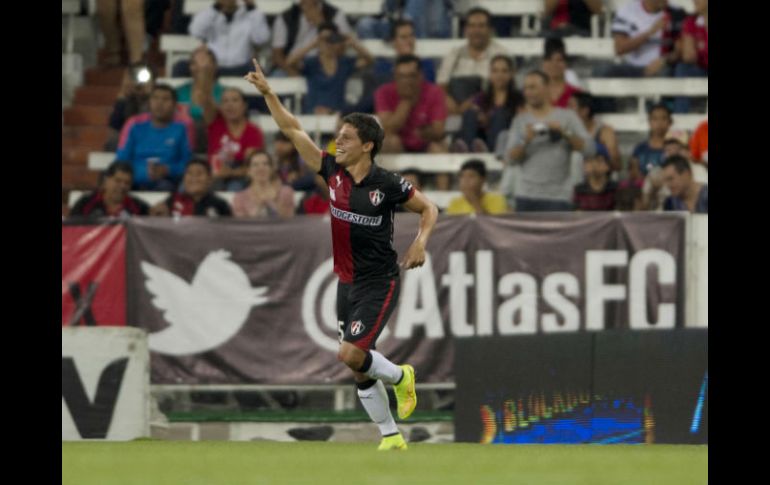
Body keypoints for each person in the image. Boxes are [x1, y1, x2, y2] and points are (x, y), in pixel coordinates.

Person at [244, 58, 439, 451]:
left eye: (347, 137)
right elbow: (291, 128)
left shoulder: (387, 183)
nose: (339, 141)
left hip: (379, 281)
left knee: (351, 353)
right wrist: (269, 94)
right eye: (338, 135)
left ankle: (402, 378)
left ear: (367, 145)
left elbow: (429, 208)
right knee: (358, 368)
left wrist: (420, 242)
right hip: (345, 282)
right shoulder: (330, 170)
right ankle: (390, 437)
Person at [504, 70, 593, 211]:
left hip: (558, 197)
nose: (528, 92)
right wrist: (525, 140)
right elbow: (509, 159)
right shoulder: (520, 121)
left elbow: (589, 149)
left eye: (533, 87)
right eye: (526, 88)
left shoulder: (567, 117)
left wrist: (565, 133)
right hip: (526, 196)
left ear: (547, 88)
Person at [285, 22, 373, 114]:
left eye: (331, 40)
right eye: (324, 40)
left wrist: (350, 41)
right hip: (314, 113)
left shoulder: (344, 63)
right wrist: (313, 44)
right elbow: (290, 62)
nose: (328, 44)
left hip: (337, 115)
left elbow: (369, 60)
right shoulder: (311, 63)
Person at [116, 85, 193, 191]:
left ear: (175, 105)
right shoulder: (133, 123)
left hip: (168, 181)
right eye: (155, 98)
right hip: (133, 179)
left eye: (165, 99)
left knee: (166, 187)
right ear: (149, 103)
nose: (159, 103)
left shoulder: (184, 125)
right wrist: (144, 172)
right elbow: (122, 160)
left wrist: (167, 170)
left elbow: (187, 163)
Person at [436, 7, 509, 115]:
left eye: (481, 26)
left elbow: (503, 88)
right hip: (454, 109)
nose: (476, 31)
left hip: (488, 110)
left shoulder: (501, 54)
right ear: (465, 30)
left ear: (490, 29)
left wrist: (474, 102)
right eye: (472, 26)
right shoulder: (454, 54)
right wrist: (449, 102)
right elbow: (441, 85)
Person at [454, 54, 523, 153]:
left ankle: (490, 150)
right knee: (470, 113)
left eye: (504, 71)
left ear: (511, 74)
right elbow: (464, 111)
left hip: (506, 139)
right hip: (481, 139)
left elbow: (522, 120)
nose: (499, 75)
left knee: (500, 113)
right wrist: (478, 114)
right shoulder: (482, 97)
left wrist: (490, 119)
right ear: (490, 74)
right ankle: (466, 149)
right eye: (495, 71)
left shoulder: (519, 98)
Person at [186, 0, 271, 77]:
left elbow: (261, 39)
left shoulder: (250, 15)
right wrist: (216, 7)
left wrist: (251, 8)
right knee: (181, 67)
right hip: (214, 67)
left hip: (242, 67)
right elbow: (196, 32)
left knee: (258, 73)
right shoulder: (209, 13)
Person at [270, 0, 353, 76]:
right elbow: (277, 54)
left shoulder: (335, 14)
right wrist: (293, 73)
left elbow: (343, 47)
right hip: (293, 64)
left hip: (323, 65)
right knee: (278, 75)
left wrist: (321, 24)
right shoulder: (286, 17)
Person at [207, 87, 265, 191]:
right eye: (225, 101)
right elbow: (203, 98)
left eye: (235, 100)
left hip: (241, 175)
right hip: (215, 172)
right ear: (220, 107)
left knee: (235, 187)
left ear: (244, 106)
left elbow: (252, 166)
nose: (230, 105)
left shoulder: (253, 131)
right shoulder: (214, 126)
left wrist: (230, 172)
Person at [150, 159, 232, 217]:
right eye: (189, 173)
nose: (194, 177)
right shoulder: (172, 201)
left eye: (199, 173)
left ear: (209, 179)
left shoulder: (220, 205)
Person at [69, 162, 149, 219]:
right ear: (106, 180)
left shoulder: (139, 207)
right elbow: (72, 230)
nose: (122, 186)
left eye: (127, 183)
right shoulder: (85, 203)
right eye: (118, 181)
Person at [568, 92, 621, 172]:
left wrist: (599, 152)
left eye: (571, 107)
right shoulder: (567, 131)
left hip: (601, 180)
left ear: (584, 111)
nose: (566, 111)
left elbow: (617, 165)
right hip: (574, 181)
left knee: (577, 156)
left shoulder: (605, 132)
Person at [232, 151, 295, 218]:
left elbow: (289, 220)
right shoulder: (240, 198)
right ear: (248, 170)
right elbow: (240, 225)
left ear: (271, 168)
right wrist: (259, 205)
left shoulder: (285, 192)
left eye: (265, 164)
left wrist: (273, 202)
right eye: (255, 165)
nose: (261, 168)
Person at [572, 144, 617, 211]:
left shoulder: (615, 189)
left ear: (607, 166)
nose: (594, 164)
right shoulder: (579, 190)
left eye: (599, 161)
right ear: (584, 166)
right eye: (589, 161)